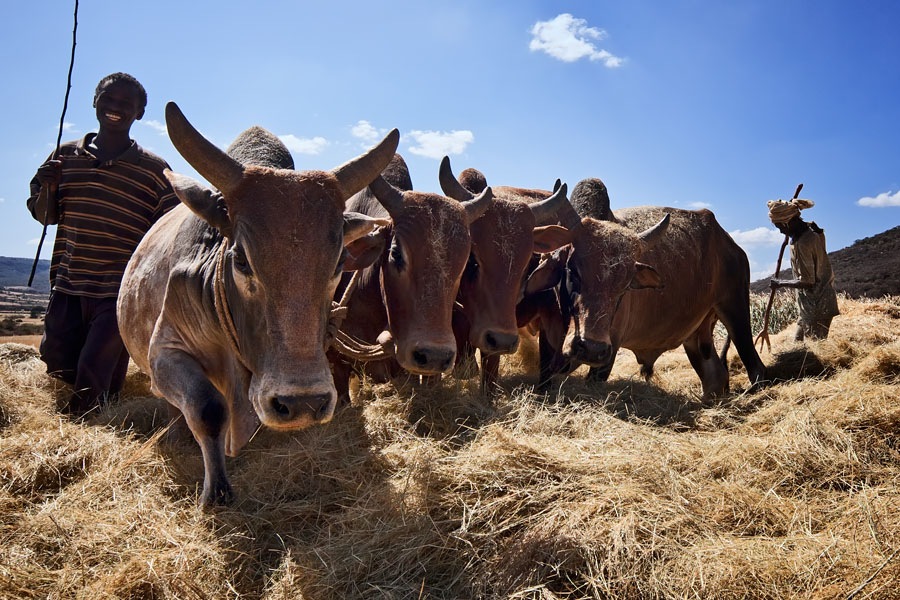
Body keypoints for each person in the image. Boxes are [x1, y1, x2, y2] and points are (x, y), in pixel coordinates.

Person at [26, 72, 178, 415]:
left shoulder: (155, 171)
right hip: (67, 284)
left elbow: (169, 231)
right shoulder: (63, 157)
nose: (115, 107)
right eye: (108, 99)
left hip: (118, 292)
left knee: (94, 373)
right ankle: (72, 426)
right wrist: (48, 185)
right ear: (95, 102)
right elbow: (44, 215)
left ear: (139, 114)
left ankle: (90, 440)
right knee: (57, 366)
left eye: (126, 104)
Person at [767, 197, 839, 341]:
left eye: (780, 227)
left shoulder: (803, 243)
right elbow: (817, 235)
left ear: (787, 222)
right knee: (798, 346)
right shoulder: (813, 231)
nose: (781, 232)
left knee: (814, 351)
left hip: (817, 306)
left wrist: (779, 283)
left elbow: (807, 282)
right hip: (811, 305)